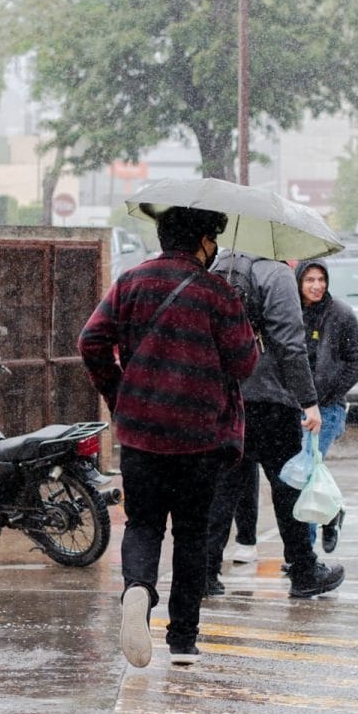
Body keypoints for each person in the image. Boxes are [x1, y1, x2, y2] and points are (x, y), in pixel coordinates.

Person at [78, 207, 259, 668]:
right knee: (192, 534)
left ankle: (138, 589)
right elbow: (244, 364)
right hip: (200, 437)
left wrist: (120, 394)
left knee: (143, 525)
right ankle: (182, 640)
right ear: (202, 241)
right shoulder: (218, 292)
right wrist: (244, 324)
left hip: (142, 434)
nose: (215, 249)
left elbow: (90, 341)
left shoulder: (131, 281)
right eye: (213, 240)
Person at [204, 250, 346, 599]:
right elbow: (290, 344)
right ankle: (304, 571)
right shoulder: (277, 275)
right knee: (288, 488)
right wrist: (309, 401)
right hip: (272, 402)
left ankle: (204, 573)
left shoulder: (218, 268)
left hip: (226, 398)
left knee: (222, 490)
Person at [296, 259, 358, 552]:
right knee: (298, 472)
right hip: (295, 406)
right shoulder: (289, 311)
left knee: (306, 470)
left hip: (327, 409)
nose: (317, 286)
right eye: (309, 280)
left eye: (321, 279)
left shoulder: (340, 314)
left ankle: (305, 553)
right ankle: (332, 510)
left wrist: (327, 394)